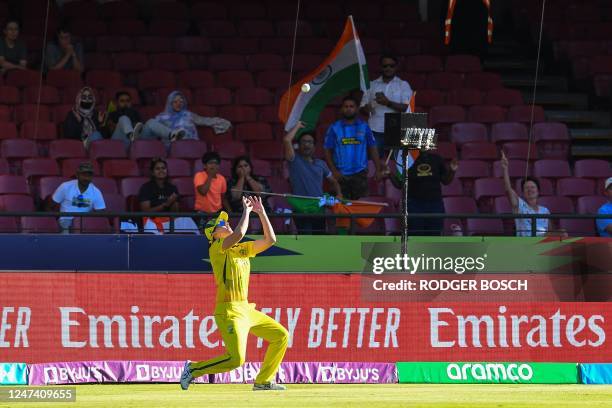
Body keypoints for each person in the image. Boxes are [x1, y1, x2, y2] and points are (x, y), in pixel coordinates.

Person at [180, 196, 289, 392]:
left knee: (281, 335)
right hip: (229, 310)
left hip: (246, 308)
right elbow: (239, 233)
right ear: (212, 234)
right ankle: (193, 368)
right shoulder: (216, 248)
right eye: (222, 223)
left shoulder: (241, 250)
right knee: (236, 359)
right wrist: (246, 212)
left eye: (226, 221)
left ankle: (263, 381)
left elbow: (271, 240)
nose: (226, 223)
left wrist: (261, 212)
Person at [283, 121, 342, 234]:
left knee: (319, 239)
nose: (306, 145)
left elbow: (333, 181)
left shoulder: (321, 164)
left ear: (314, 146)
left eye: (310, 142)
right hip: (301, 208)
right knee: (305, 239)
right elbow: (286, 140)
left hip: (318, 208)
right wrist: (298, 126)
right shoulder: (294, 160)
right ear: (299, 145)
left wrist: (339, 193)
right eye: (303, 142)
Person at [324, 95, 382, 200]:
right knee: (341, 209)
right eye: (346, 106)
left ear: (356, 109)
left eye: (351, 106)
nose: (348, 109)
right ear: (342, 109)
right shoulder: (334, 128)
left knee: (360, 210)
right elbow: (327, 151)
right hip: (340, 175)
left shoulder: (364, 126)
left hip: (359, 175)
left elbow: (373, 148)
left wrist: (378, 169)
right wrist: (334, 171)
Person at [390, 150, 458, 236]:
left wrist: (452, 170)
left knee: (434, 237)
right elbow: (399, 184)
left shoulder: (437, 159)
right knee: (415, 237)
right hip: (413, 205)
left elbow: (446, 181)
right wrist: (389, 174)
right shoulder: (405, 160)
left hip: (435, 205)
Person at [360, 54, 413, 156]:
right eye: (385, 66)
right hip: (375, 129)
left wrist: (387, 103)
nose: (388, 68)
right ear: (381, 67)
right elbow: (362, 108)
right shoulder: (371, 85)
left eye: (391, 66)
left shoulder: (403, 85)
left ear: (396, 67)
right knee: (374, 164)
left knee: (397, 165)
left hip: (396, 130)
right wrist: (367, 109)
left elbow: (407, 108)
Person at [139, 91, 231, 147]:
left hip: (190, 145)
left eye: (181, 101)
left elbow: (205, 120)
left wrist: (224, 123)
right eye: (175, 102)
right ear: (170, 103)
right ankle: (172, 135)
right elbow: (152, 130)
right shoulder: (162, 117)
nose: (179, 104)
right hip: (171, 146)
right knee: (150, 123)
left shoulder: (189, 115)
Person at [139, 158, 200, 234]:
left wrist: (173, 203)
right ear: (152, 172)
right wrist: (165, 204)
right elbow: (146, 212)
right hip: (152, 222)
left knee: (187, 220)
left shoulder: (172, 188)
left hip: (168, 220)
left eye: (163, 168)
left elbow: (175, 212)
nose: (161, 171)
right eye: (157, 169)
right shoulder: (146, 188)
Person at [501, 151, 550, 236]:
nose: (530, 190)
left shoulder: (545, 211)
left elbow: (550, 231)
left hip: (543, 245)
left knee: (562, 233)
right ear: (523, 192)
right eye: (526, 188)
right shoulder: (519, 205)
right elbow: (508, 189)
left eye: (532, 187)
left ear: (538, 191)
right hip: (526, 244)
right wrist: (505, 169)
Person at [46, 162, 106, 232]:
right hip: (66, 220)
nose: (86, 178)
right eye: (83, 175)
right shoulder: (65, 187)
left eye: (89, 175)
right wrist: (54, 222)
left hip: (84, 222)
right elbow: (49, 206)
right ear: (77, 175)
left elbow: (100, 212)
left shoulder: (96, 191)